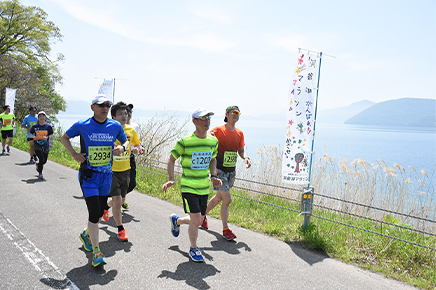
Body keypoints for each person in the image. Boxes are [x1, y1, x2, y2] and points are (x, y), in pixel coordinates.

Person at [60, 94, 128, 267]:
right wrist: (74, 154)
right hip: (88, 176)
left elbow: (126, 142)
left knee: (98, 215)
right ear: (92, 107)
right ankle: (97, 253)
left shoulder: (114, 126)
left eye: (107, 105)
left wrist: (121, 147)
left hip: (106, 177)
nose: (105, 108)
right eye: (101, 105)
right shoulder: (83, 125)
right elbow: (64, 137)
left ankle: (86, 233)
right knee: (93, 213)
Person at [162, 108, 222, 262]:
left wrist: (214, 175)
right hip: (188, 186)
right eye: (203, 118)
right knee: (196, 219)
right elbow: (172, 158)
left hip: (204, 186)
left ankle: (177, 221)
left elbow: (213, 158)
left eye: (209, 118)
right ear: (194, 121)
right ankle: (194, 248)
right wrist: (171, 178)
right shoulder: (185, 141)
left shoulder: (213, 141)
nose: (207, 121)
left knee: (199, 220)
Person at [201, 105, 251, 240]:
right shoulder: (218, 130)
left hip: (231, 171)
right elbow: (204, 137)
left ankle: (202, 215)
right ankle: (225, 229)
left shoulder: (239, 133)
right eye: (233, 112)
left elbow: (240, 151)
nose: (236, 114)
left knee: (219, 198)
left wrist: (245, 158)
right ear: (226, 115)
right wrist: (208, 136)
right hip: (219, 170)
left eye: (238, 113)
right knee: (227, 199)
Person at [102, 101, 142, 242]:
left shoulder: (131, 130)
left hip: (126, 170)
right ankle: (120, 229)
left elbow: (137, 144)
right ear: (113, 116)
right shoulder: (107, 130)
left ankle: (106, 207)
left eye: (126, 113)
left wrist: (138, 149)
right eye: (120, 113)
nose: (124, 116)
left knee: (120, 199)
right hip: (111, 171)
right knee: (118, 201)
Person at [122, 103, 144, 210]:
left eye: (130, 112)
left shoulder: (134, 127)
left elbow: (136, 143)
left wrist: (138, 149)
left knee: (132, 183)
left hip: (130, 157)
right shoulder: (115, 126)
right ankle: (119, 200)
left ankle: (120, 198)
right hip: (118, 158)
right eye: (127, 111)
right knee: (120, 181)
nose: (129, 114)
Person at [30, 111, 54, 179]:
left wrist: (47, 137)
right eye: (40, 116)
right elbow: (30, 134)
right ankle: (40, 173)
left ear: (45, 118)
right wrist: (34, 137)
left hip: (45, 144)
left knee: (44, 160)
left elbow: (51, 134)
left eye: (43, 116)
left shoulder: (48, 126)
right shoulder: (35, 126)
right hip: (37, 144)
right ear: (38, 118)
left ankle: (38, 165)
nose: (42, 118)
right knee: (41, 158)